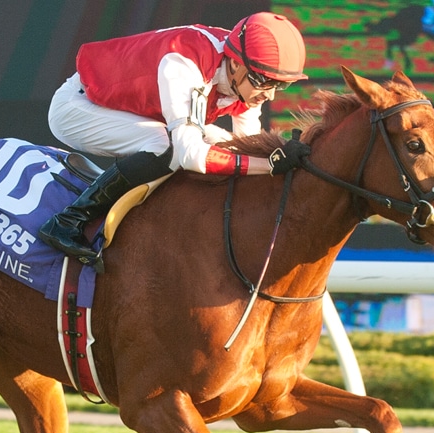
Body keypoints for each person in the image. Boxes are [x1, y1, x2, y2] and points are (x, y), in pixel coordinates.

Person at [39, 12, 312, 270]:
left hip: (131, 109)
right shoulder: (186, 62)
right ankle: (68, 221)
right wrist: (270, 165)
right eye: (265, 81)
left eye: (280, 85)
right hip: (79, 106)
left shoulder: (245, 74)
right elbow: (190, 155)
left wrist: (273, 164)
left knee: (223, 143)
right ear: (237, 64)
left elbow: (247, 145)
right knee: (168, 148)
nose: (271, 95)